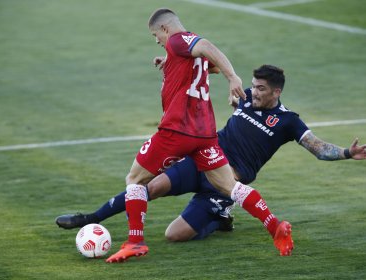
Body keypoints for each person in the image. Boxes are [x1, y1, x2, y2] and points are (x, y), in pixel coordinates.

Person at [57, 65, 366, 256]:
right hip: (202, 158)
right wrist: (173, 65)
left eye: (260, 88)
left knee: (174, 236)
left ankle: (218, 217)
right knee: (149, 187)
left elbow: (317, 147)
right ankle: (91, 218)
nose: (253, 92)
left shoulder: (288, 121)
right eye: (253, 86)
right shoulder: (245, 97)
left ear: (276, 91)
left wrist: (346, 153)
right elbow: (209, 72)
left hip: (225, 183)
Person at [98, 8, 294, 263]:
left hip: (177, 130)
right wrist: (169, 62)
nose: (157, 40)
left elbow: (206, 46)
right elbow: (204, 65)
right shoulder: (181, 51)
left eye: (156, 34)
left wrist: (232, 76)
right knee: (229, 187)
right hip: (204, 135)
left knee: (134, 179)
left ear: (165, 29)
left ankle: (135, 241)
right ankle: (274, 226)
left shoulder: (180, 39)